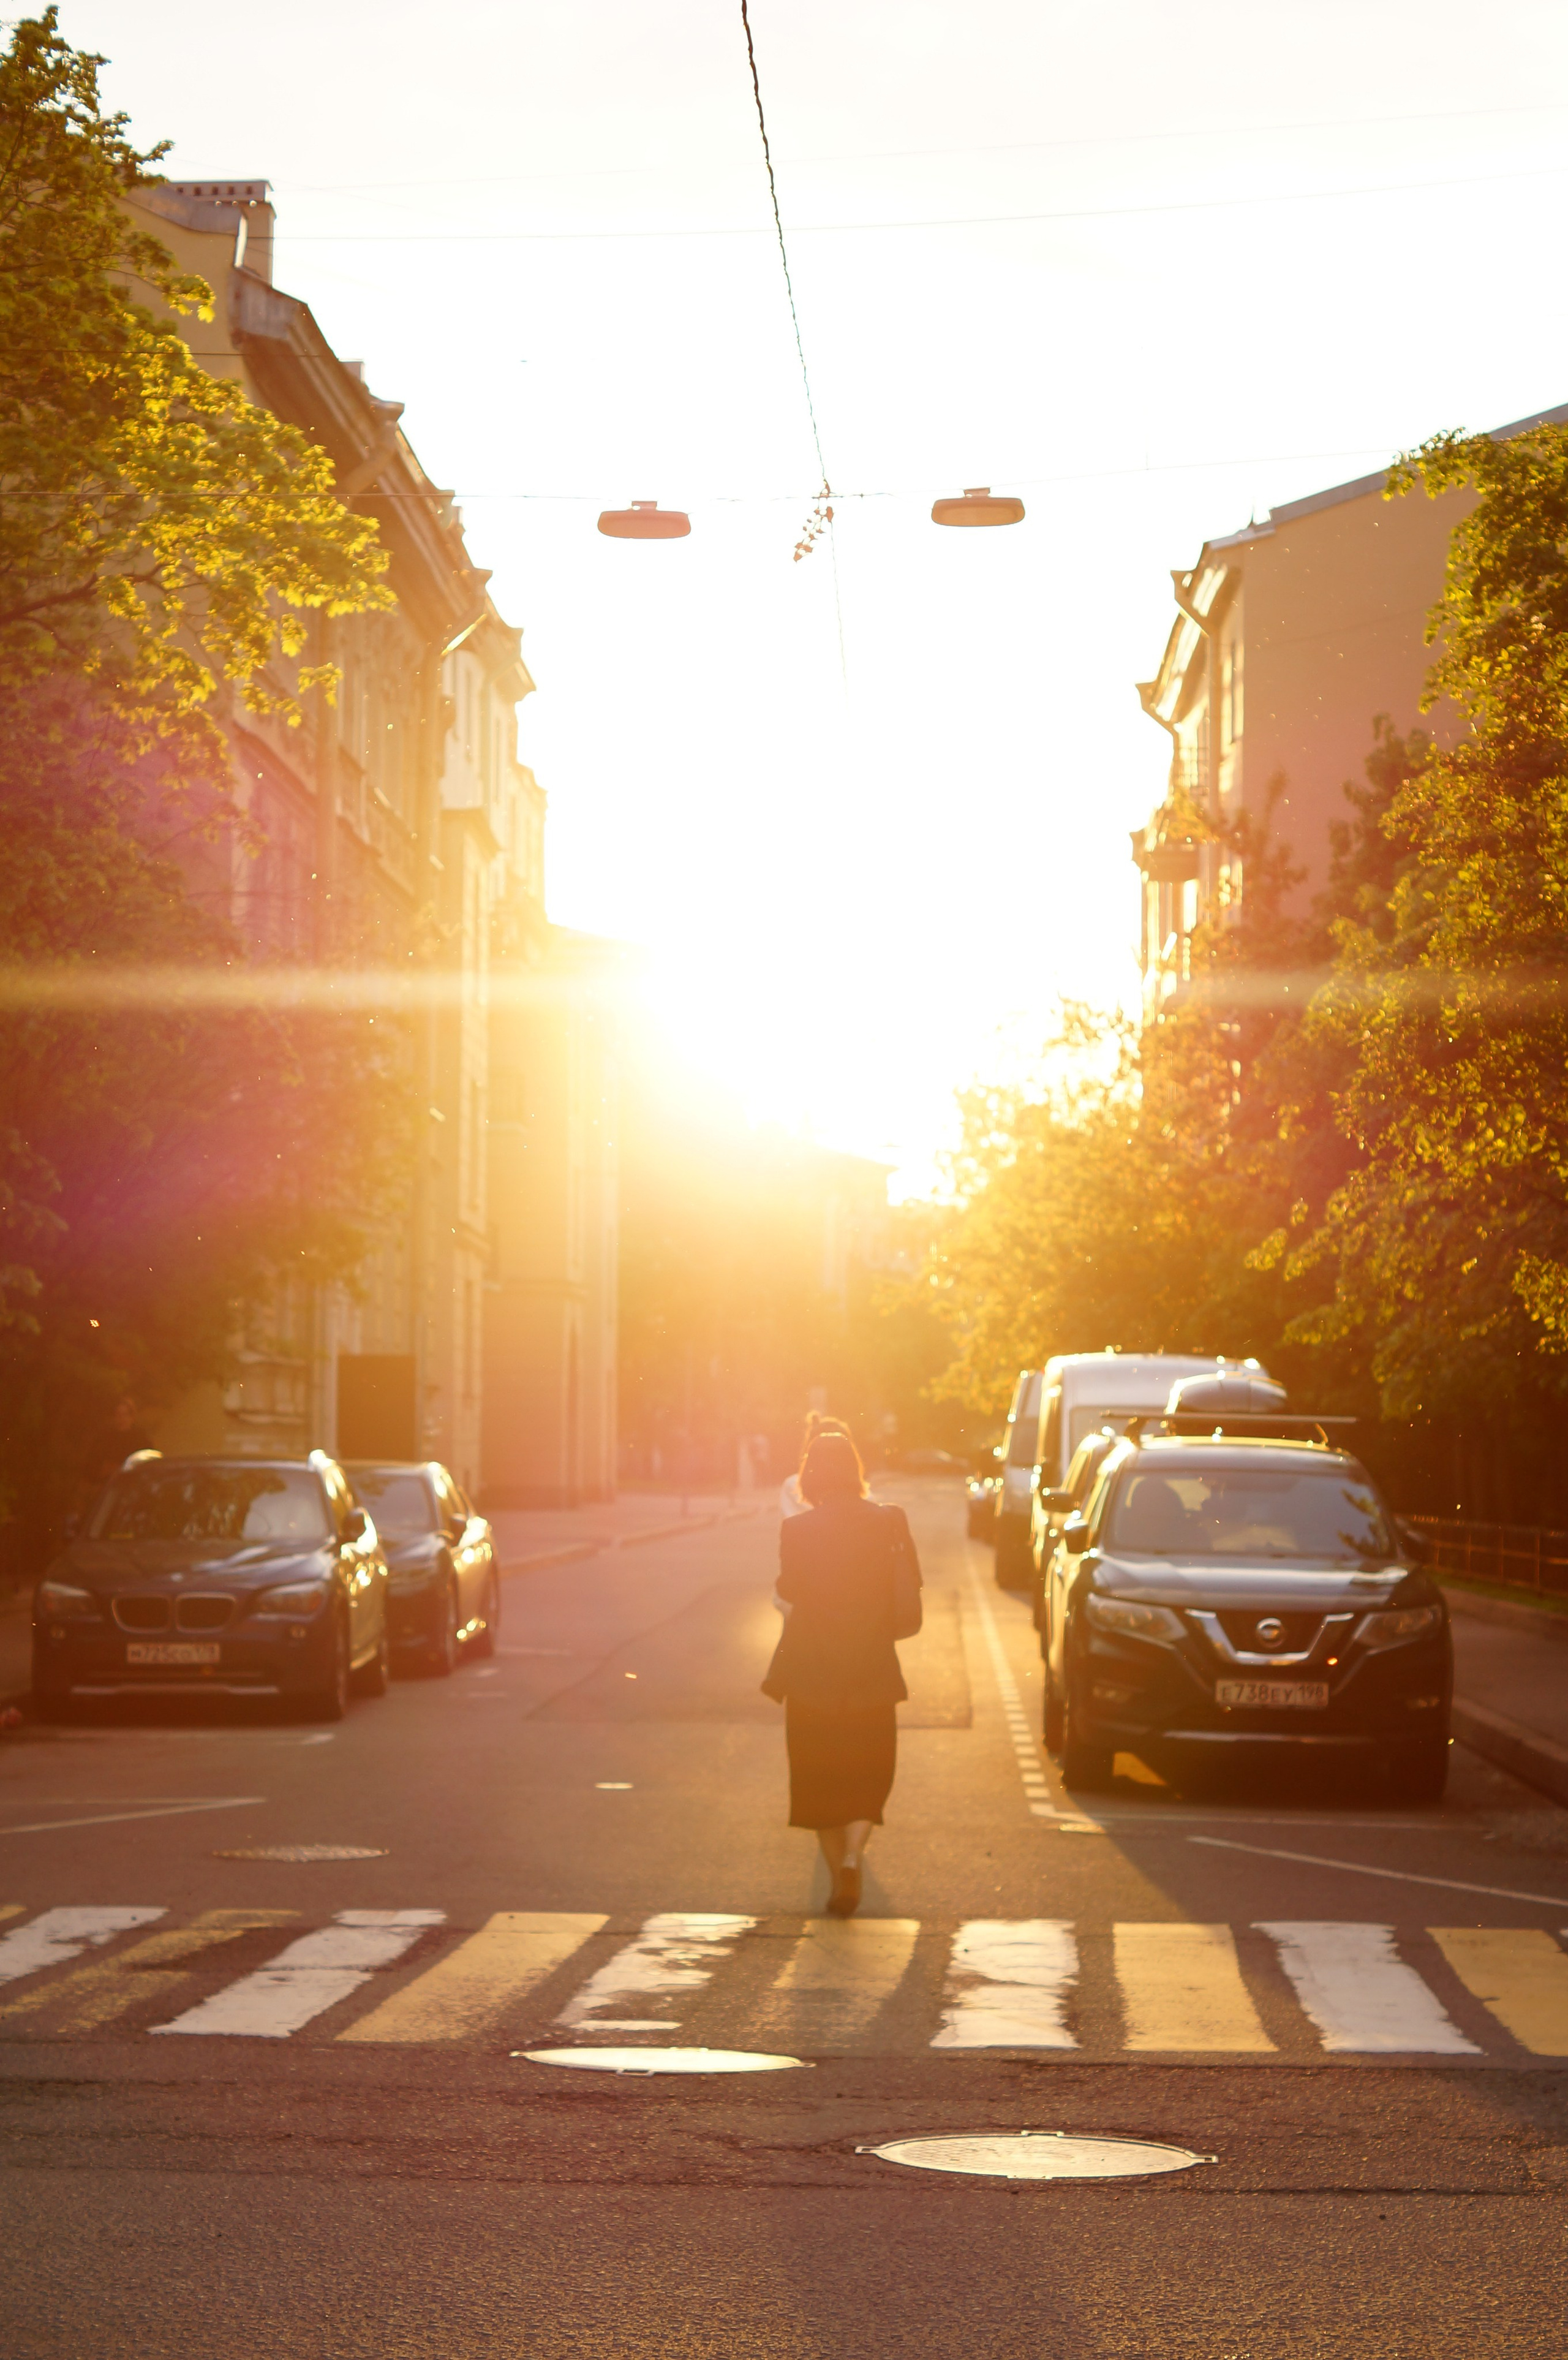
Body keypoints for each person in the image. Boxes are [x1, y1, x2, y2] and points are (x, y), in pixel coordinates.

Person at [761, 1426, 923, 1918]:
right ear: (856, 1471)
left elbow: (789, 1588)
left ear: (810, 1475)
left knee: (819, 1786)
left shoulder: (798, 1530)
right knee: (868, 1781)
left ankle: (839, 1875)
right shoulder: (890, 1522)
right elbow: (911, 1584)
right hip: (873, 1672)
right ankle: (855, 1856)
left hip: (812, 1677)